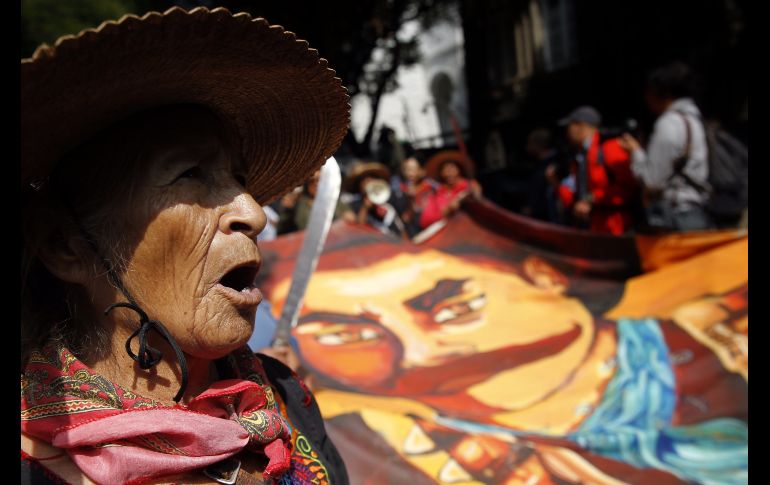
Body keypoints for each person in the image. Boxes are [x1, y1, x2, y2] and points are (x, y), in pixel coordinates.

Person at [21, 7, 349, 484]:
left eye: (238, 177)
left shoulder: (283, 398)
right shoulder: (35, 460)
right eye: (190, 174)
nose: (254, 214)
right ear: (66, 247)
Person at [262, 217, 747, 484]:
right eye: (344, 335)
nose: (421, 351)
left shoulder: (725, 324)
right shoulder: (351, 433)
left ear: (541, 275)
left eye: (452, 303)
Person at [619, 62, 713, 231]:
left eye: (650, 91)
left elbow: (651, 180)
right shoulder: (694, 119)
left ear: (664, 93)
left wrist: (635, 152)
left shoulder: (668, 124)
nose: (647, 97)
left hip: (675, 216)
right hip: (696, 211)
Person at [557, 106, 639, 235]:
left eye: (570, 126)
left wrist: (593, 198)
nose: (567, 132)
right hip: (592, 226)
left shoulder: (610, 149)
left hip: (614, 227)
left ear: (581, 126)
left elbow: (628, 187)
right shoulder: (580, 155)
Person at [276, 169, 355, 235]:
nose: (316, 184)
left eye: (319, 180)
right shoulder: (300, 203)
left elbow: (351, 218)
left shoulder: (334, 200)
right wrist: (287, 211)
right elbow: (298, 227)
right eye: (312, 181)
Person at [419, 150, 483, 229]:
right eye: (444, 169)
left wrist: (468, 195)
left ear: (459, 169)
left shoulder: (469, 185)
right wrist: (448, 209)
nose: (448, 172)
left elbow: (477, 196)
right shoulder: (438, 192)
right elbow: (425, 220)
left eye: (452, 168)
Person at [345, 161, 409, 239]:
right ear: (358, 185)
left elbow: (401, 224)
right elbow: (359, 229)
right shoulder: (355, 205)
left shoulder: (389, 197)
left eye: (370, 178)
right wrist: (365, 208)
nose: (367, 182)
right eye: (363, 180)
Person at [524, 128, 568, 224]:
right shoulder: (539, 164)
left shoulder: (555, 166)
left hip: (550, 219)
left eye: (530, 143)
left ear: (538, 144)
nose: (527, 147)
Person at [391, 154, 437, 237]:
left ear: (422, 171)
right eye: (406, 170)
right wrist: (410, 200)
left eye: (413, 170)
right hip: (416, 235)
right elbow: (406, 218)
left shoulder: (432, 188)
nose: (409, 173)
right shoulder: (399, 193)